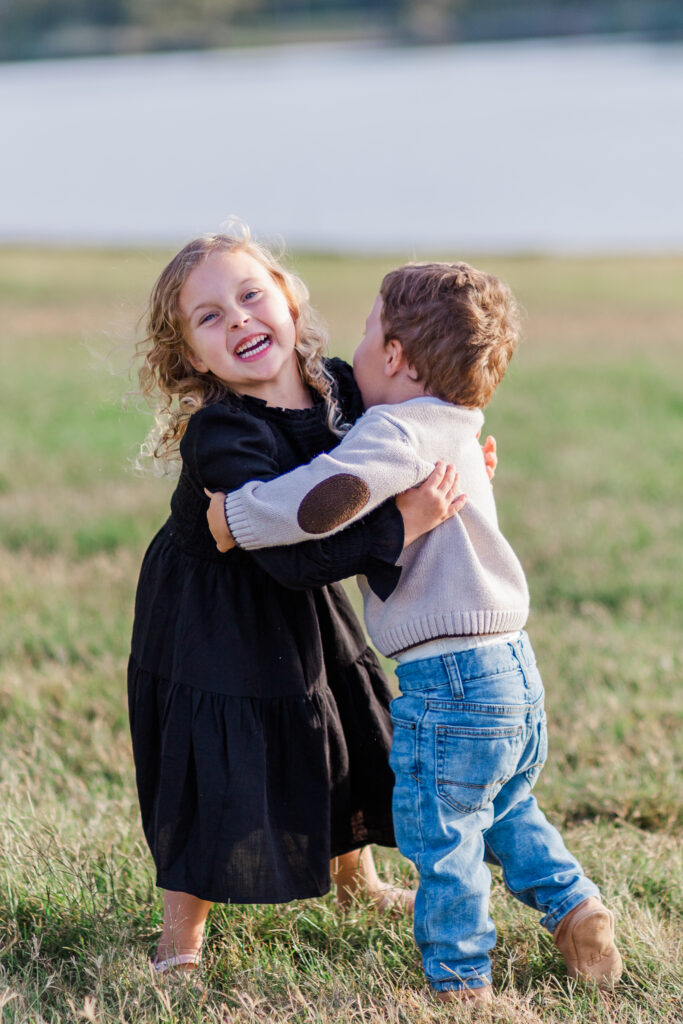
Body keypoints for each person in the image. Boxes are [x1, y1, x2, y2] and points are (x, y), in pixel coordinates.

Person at [206, 261, 623, 1003]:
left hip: (450, 680)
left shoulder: (394, 431)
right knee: (501, 807)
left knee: (441, 831)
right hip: (513, 671)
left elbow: (319, 502)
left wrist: (236, 516)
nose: (358, 348)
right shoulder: (459, 426)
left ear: (395, 356)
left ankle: (459, 984)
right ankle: (574, 907)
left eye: (369, 333)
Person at [129, 232, 476, 975]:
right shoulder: (222, 432)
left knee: (337, 723)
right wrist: (405, 522)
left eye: (251, 296)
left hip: (305, 597)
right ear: (192, 356)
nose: (240, 320)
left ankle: (357, 879)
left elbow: (408, 425)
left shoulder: (339, 389)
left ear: (287, 299)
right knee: (216, 760)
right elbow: (289, 559)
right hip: (213, 610)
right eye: (210, 317)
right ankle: (178, 941)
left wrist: (460, 453)